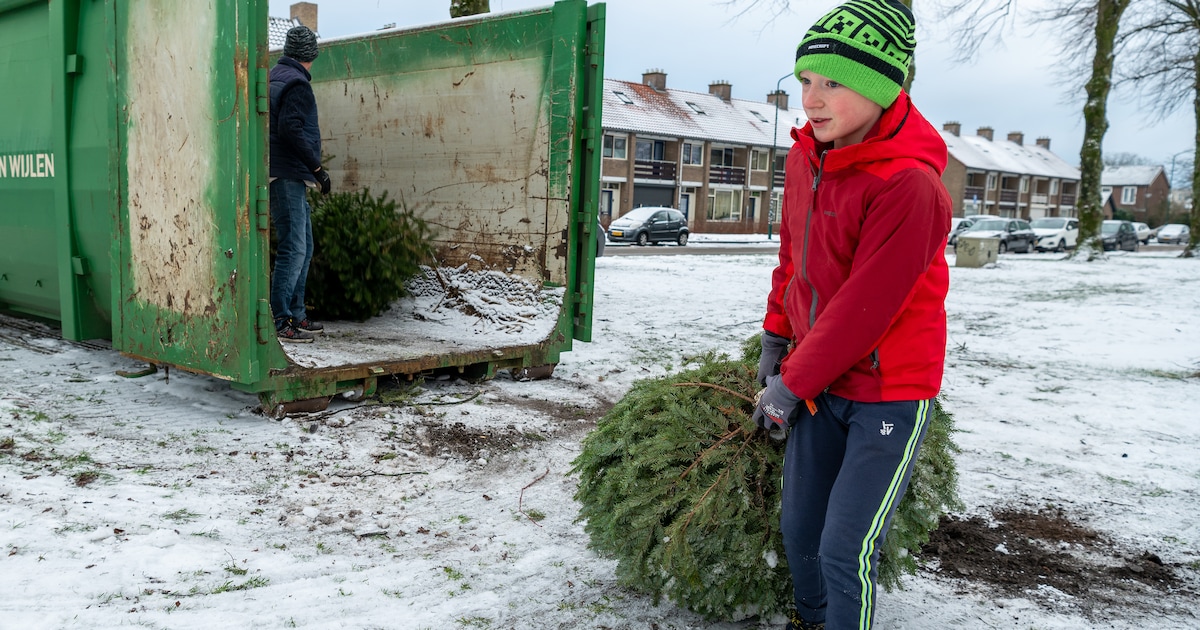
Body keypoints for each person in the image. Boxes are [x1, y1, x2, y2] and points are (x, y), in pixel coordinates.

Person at [750, 0, 952, 628]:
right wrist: (775, 335)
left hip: (887, 392)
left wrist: (789, 386)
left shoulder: (909, 186)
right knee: (800, 530)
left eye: (833, 82)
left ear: (882, 86)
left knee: (846, 549)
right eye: (806, 80)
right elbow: (794, 260)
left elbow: (864, 312)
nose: (812, 99)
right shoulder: (808, 158)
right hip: (820, 380)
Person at [269, 25, 332, 343]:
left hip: (285, 173)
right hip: (288, 173)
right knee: (294, 249)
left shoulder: (276, 76)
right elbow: (290, 130)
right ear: (310, 56)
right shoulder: (297, 84)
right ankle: (281, 319)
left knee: (302, 248)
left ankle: (296, 313)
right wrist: (318, 168)